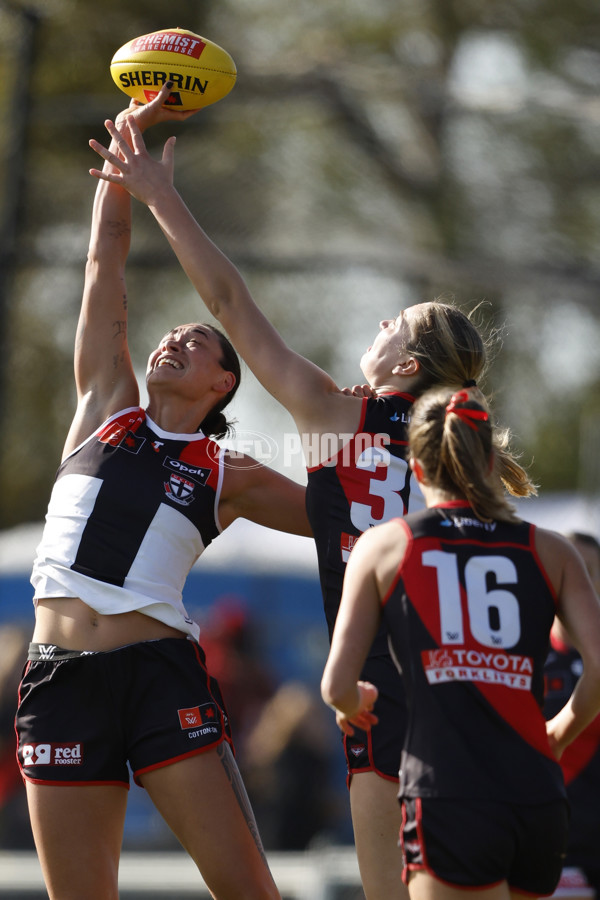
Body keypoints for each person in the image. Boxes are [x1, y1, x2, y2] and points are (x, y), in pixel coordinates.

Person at [87, 116, 536, 900]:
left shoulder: (335, 417)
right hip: (481, 693)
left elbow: (226, 298)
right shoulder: (469, 455)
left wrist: (158, 194)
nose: (379, 323)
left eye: (392, 323)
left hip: (379, 690)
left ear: (405, 362)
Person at [15, 83, 314, 900]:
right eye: (172, 330)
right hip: (58, 679)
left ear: (224, 384)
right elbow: (103, 261)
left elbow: (347, 518)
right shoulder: (104, 408)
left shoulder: (229, 472)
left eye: (201, 339)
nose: (177, 334)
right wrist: (126, 152)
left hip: (157, 678)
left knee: (249, 891)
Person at [321, 385, 600, 899]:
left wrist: (352, 702)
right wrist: (558, 732)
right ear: (492, 460)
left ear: (418, 469)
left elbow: (336, 683)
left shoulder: (386, 544)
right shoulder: (552, 548)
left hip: (448, 796)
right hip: (538, 798)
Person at [545, 532, 600, 900]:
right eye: (563, 572)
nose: (574, 585)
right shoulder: (516, 659)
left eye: (588, 572)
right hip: (541, 850)